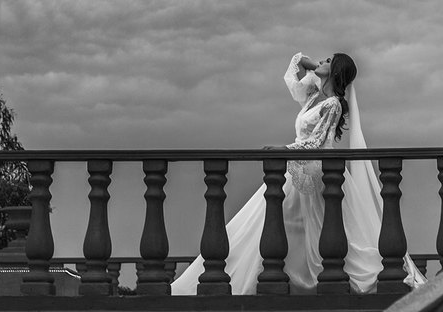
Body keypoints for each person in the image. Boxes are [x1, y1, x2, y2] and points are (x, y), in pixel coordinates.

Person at [171, 52, 426, 295]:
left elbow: (316, 142)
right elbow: (293, 80)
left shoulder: (333, 105)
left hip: (314, 173)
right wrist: (305, 61)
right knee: (270, 224)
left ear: (336, 71)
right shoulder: (314, 95)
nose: (322, 60)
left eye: (328, 60)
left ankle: (296, 283)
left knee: (299, 227)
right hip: (299, 169)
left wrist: (284, 149)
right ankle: (268, 280)